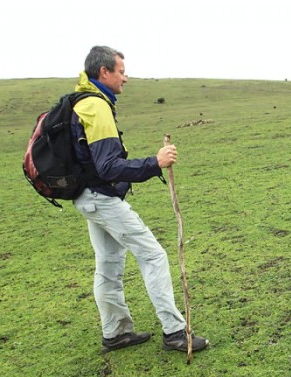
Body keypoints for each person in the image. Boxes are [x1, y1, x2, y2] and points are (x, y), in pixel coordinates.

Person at [70, 45, 208, 354]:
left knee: (108, 263)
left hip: (87, 197)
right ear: (104, 72)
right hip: (101, 197)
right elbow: (108, 167)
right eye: (121, 71)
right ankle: (174, 332)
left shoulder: (83, 102)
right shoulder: (96, 106)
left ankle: (116, 333)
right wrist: (154, 162)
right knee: (154, 256)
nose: (126, 77)